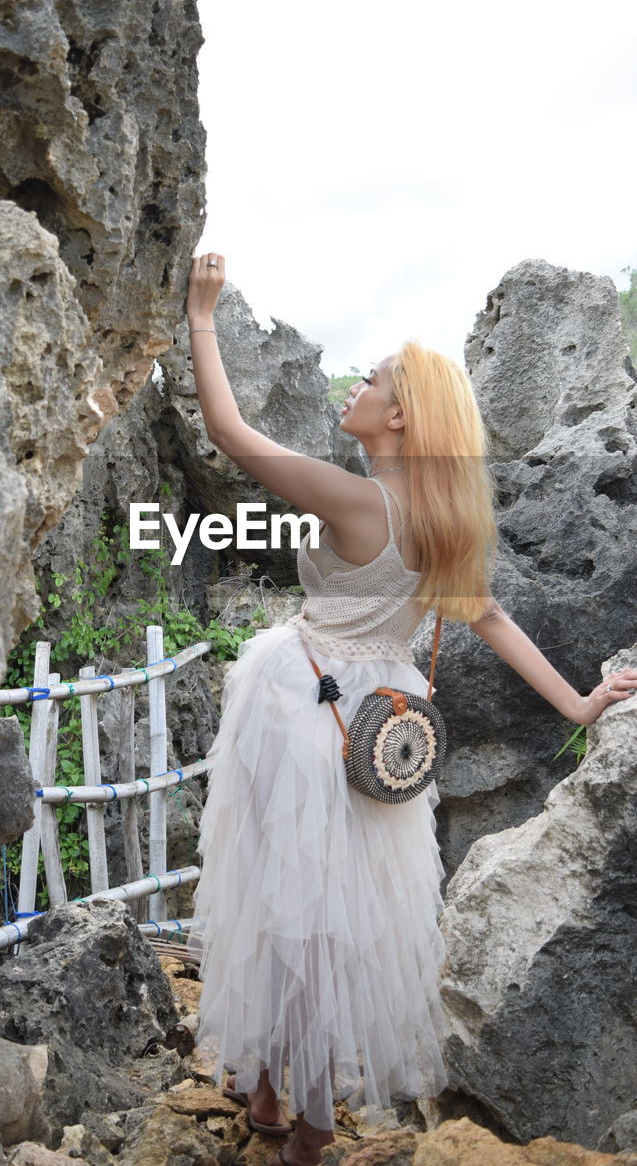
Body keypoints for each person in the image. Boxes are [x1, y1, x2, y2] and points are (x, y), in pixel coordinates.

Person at [183, 252, 637, 1166]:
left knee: (280, 911)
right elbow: (494, 619)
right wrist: (581, 707)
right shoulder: (440, 519)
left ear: (398, 417)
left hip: (298, 711)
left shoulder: (354, 502)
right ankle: (290, 1118)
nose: (355, 383)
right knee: (339, 919)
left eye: (373, 378)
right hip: (383, 726)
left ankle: (288, 1121)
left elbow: (230, 433)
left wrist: (201, 315)